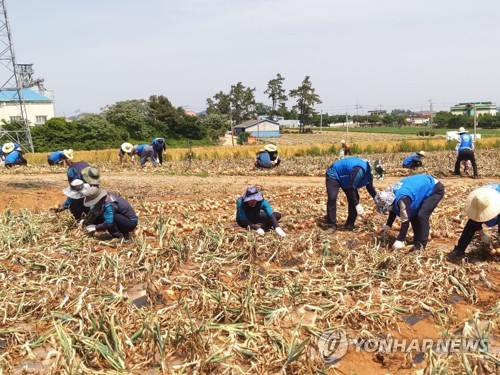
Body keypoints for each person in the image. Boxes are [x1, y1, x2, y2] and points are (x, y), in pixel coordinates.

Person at [375, 174, 445, 251]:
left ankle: (421, 246)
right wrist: (388, 225)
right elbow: (393, 209)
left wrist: (400, 240)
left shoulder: (403, 199)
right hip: (421, 185)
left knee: (422, 215)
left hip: (434, 188)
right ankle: (416, 240)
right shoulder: (391, 194)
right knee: (413, 214)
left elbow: (405, 221)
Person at [325, 157, 384, 231]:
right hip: (334, 174)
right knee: (332, 197)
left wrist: (377, 200)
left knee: (355, 197)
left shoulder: (369, 174)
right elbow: (350, 189)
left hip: (347, 179)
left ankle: (349, 224)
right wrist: (357, 205)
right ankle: (331, 225)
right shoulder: (359, 170)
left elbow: (370, 187)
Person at [449, 184, 500, 258]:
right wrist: (482, 234)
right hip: (483, 202)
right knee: (471, 224)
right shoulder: (476, 199)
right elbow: (474, 218)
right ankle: (460, 249)